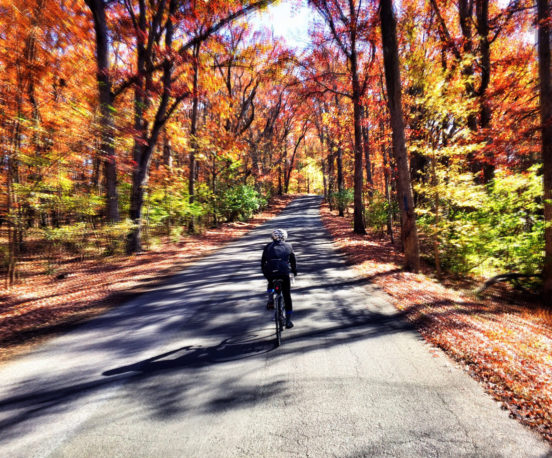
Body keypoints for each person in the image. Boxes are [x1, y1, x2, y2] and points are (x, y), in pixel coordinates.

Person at [261, 229, 297, 328]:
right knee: (287, 296)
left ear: (273, 237)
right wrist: (294, 272)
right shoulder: (289, 246)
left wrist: (265, 273)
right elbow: (293, 261)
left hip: (270, 272)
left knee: (270, 281)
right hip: (284, 272)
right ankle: (288, 321)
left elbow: (263, 262)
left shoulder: (267, 247)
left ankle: (270, 300)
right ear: (285, 237)